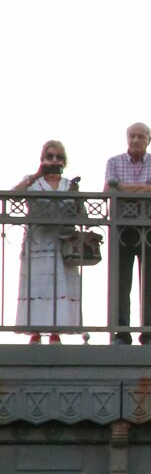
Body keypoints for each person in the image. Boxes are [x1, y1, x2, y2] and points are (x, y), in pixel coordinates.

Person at [104, 122, 151, 345]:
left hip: (150, 226)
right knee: (121, 282)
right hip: (122, 227)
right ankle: (122, 332)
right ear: (126, 138)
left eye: (141, 136)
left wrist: (125, 189)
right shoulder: (114, 162)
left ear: (149, 140)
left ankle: (148, 333)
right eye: (132, 136)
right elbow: (109, 190)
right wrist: (143, 189)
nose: (135, 140)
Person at [13, 141, 82, 343]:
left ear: (64, 161)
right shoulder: (32, 182)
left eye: (58, 157)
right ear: (42, 159)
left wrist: (76, 195)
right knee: (37, 287)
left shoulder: (68, 184)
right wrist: (36, 174)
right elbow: (13, 197)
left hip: (62, 243)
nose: (54, 160)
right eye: (49, 156)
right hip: (38, 243)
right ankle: (34, 332)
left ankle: (56, 333)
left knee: (61, 286)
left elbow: (81, 216)